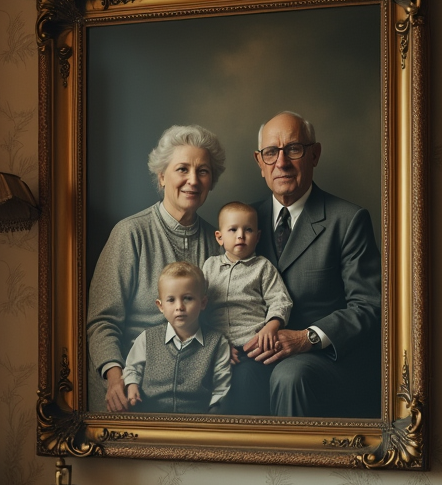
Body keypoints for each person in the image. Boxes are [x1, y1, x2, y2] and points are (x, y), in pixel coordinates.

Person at [244, 111, 382, 417]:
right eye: (271, 153)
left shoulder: (348, 220)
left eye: (293, 149)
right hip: (258, 353)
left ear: (314, 154)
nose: (281, 162)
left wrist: (306, 338)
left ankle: (288, 466)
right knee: (229, 373)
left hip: (324, 362)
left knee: (290, 376)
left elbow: (370, 305)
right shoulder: (243, 224)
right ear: (259, 162)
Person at [86, 125, 225, 412]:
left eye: (203, 171)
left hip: (194, 391)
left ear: (211, 182)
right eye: (182, 169)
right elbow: (102, 322)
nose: (193, 180)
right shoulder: (129, 234)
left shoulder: (219, 245)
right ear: (162, 177)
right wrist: (115, 378)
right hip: (131, 386)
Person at [202, 201, 292, 414]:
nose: (241, 235)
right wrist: (214, 343)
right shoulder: (209, 267)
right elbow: (199, 307)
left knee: (246, 382)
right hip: (218, 345)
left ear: (258, 236)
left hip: (253, 347)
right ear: (219, 237)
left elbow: (280, 300)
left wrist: (272, 326)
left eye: (248, 230)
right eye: (233, 230)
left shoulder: (262, 267)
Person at [122, 262, 232, 413]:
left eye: (187, 298)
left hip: (198, 424)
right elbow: (132, 368)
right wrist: (132, 385)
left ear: (203, 302)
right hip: (151, 420)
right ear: (160, 306)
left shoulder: (217, 343)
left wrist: (212, 417)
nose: (179, 306)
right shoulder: (147, 339)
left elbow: (221, 387)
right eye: (171, 300)